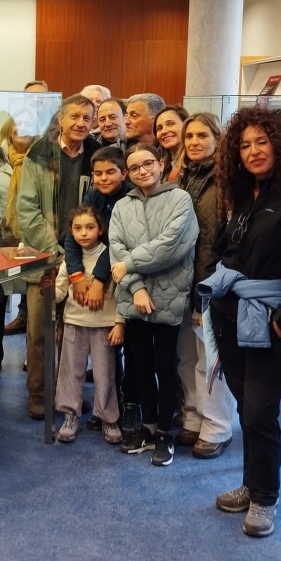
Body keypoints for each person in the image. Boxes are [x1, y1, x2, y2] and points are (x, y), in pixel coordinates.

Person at [201, 107, 281, 538]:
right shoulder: (239, 194)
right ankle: (251, 485)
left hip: (270, 318)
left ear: (280, 144)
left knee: (258, 412)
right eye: (244, 144)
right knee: (246, 409)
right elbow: (223, 251)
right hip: (228, 314)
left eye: (262, 142)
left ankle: (266, 498)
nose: (253, 151)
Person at [110, 143, 199, 467]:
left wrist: (131, 265)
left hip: (170, 295)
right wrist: (136, 288)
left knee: (165, 367)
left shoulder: (180, 199)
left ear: (161, 164)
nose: (142, 170)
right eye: (134, 167)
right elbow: (116, 251)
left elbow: (171, 247)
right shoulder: (122, 206)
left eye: (148, 163)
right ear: (128, 173)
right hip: (135, 298)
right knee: (141, 367)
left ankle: (165, 432)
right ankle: (147, 429)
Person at [17, 94, 101, 419]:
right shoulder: (39, 153)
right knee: (39, 331)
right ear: (62, 119)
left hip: (84, 261)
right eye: (75, 117)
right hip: (45, 260)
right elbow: (27, 209)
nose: (81, 123)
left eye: (87, 118)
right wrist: (57, 251)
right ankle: (39, 392)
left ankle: (68, 395)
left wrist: (77, 254)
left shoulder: (97, 155)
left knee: (75, 335)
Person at [174, 112, 236, 460]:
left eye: (202, 136)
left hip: (211, 281)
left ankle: (217, 426)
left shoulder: (226, 180)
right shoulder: (183, 177)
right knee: (185, 356)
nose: (194, 142)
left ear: (217, 138)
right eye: (189, 137)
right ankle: (194, 416)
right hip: (181, 282)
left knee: (210, 358)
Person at [55, 206, 124, 444]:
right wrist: (45, 289)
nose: (83, 233)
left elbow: (120, 294)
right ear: (71, 232)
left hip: (104, 325)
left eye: (90, 227)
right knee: (71, 372)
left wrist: (120, 323)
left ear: (101, 229)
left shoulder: (112, 257)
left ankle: (108, 417)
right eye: (77, 228)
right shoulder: (70, 263)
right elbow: (58, 292)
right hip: (74, 324)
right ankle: (70, 415)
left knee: (105, 374)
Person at [0, 112, 37, 349]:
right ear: (9, 130)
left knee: (33, 293)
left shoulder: (42, 160)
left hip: (32, 235)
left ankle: (30, 352)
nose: (22, 129)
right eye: (17, 125)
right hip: (0, 236)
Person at [155, 105, 191, 182]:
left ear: (186, 125)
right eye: (159, 128)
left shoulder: (196, 165)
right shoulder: (159, 167)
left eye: (170, 124)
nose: (164, 131)